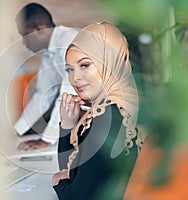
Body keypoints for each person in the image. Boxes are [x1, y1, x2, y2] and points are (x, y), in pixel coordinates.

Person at [52, 22, 140, 200]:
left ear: (111, 62)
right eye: (69, 69)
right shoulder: (130, 101)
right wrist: (68, 124)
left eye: (85, 65)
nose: (75, 78)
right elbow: (73, 173)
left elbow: (77, 195)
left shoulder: (108, 117)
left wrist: (59, 184)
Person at [13, 3, 78, 150]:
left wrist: (47, 140)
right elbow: (43, 94)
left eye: (25, 35)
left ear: (38, 28)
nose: (24, 42)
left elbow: (68, 93)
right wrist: (17, 130)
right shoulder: (49, 52)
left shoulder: (67, 43)